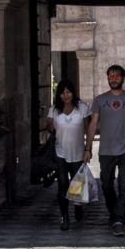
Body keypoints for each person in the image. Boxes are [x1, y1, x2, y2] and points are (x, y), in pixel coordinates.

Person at [84, 64, 125, 237]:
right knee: (106, 184)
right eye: (110, 76)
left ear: (123, 78)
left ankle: (119, 220)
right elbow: (93, 124)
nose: (113, 79)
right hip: (106, 151)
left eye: (116, 76)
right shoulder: (100, 100)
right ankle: (114, 213)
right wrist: (88, 148)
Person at [42, 81, 91, 230]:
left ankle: (77, 206)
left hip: (78, 152)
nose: (66, 95)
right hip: (60, 152)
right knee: (62, 183)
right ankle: (64, 216)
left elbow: (88, 129)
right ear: (59, 95)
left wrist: (88, 149)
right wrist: (51, 127)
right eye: (63, 93)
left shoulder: (82, 108)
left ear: (73, 93)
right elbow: (48, 125)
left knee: (77, 184)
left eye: (68, 92)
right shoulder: (54, 109)